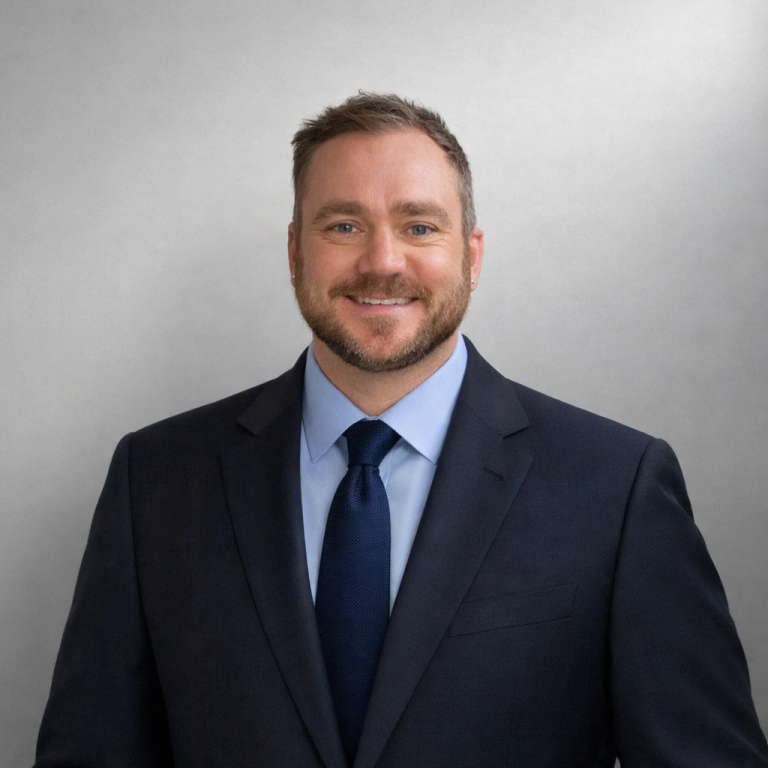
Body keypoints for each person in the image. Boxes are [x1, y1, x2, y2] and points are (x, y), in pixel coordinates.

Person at [35, 92, 768, 768]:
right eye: (344, 225)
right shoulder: (157, 480)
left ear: (471, 256)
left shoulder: (616, 489)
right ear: (295, 253)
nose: (382, 262)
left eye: (419, 226)